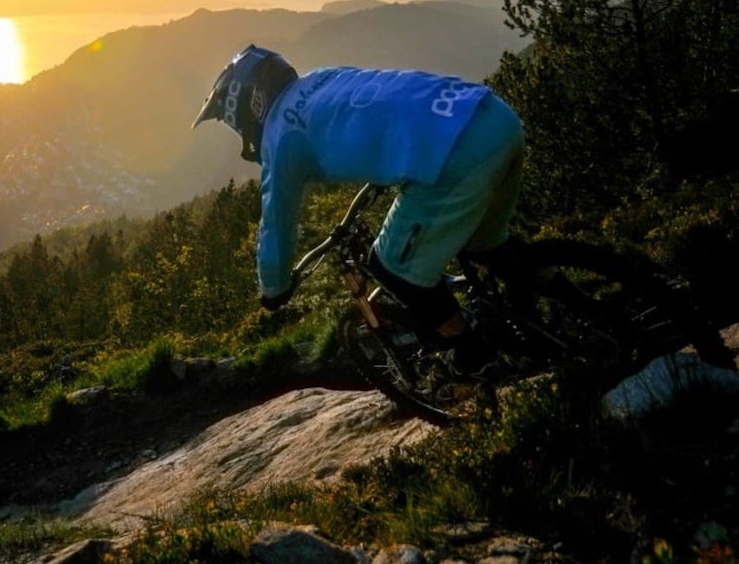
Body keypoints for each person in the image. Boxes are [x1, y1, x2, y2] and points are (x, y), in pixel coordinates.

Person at [191, 44, 526, 375]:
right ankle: (547, 296)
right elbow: (378, 114)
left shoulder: (281, 138)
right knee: (485, 244)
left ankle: (476, 355)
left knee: (392, 269)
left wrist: (273, 290)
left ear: (248, 108)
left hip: (457, 158)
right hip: (492, 115)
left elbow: (276, 228)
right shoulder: (322, 77)